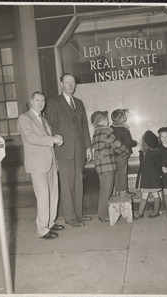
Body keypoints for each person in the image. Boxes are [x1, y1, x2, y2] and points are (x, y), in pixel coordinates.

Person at [46, 73, 92, 227]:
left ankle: (79, 213)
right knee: (66, 184)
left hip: (79, 149)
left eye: (72, 82)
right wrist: (56, 135)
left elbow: (84, 126)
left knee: (78, 181)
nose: (71, 85)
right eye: (67, 82)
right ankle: (70, 217)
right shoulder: (54, 102)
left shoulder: (79, 103)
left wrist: (88, 147)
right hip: (64, 149)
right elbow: (52, 124)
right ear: (61, 84)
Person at [18, 91, 65, 239]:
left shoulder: (43, 120)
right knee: (43, 197)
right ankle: (42, 230)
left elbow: (46, 139)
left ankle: (50, 222)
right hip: (37, 164)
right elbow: (31, 138)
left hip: (50, 162)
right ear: (32, 101)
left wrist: (55, 138)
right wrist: (52, 139)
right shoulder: (24, 118)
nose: (40, 103)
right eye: (37, 100)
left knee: (53, 194)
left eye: (43, 101)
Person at [91, 111, 129, 222]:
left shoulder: (96, 132)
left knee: (103, 189)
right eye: (107, 119)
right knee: (107, 190)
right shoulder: (106, 131)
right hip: (108, 165)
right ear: (102, 120)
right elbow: (116, 144)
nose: (108, 121)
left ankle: (102, 213)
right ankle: (103, 215)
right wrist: (125, 152)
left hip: (100, 165)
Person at [134, 130, 162, 219]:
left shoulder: (153, 152)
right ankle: (142, 212)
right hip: (147, 178)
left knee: (154, 194)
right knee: (147, 195)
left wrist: (160, 174)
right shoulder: (143, 153)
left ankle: (152, 212)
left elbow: (158, 165)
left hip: (152, 177)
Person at [110, 109, 137, 197]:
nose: (126, 117)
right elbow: (128, 142)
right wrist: (135, 143)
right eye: (124, 115)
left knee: (117, 172)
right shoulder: (123, 129)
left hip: (113, 154)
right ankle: (123, 191)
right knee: (123, 172)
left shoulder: (111, 128)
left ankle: (117, 191)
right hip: (122, 154)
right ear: (121, 119)